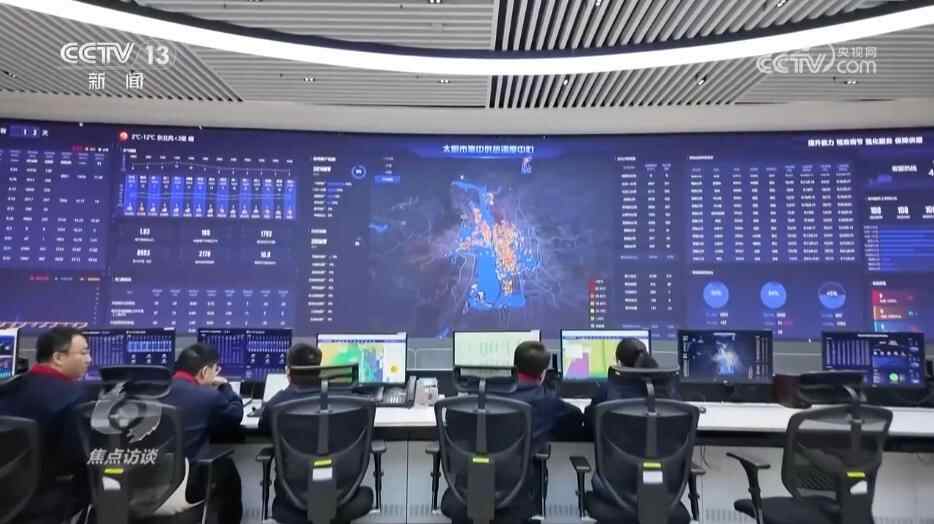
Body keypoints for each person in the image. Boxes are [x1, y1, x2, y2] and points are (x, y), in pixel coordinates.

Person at [443, 340, 584, 524]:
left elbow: (452, 421)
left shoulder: (477, 396)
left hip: (468, 489)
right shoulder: (546, 401)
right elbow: (575, 419)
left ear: (514, 366)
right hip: (517, 493)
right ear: (542, 373)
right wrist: (552, 391)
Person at [260, 342, 370, 524]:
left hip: (294, 501)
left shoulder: (276, 405)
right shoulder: (351, 402)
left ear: (288, 372)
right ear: (319, 370)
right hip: (343, 497)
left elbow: (264, 431)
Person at [0, 326, 91, 523]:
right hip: (49, 505)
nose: (89, 359)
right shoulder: (78, 398)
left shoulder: (7, 388)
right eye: (83, 353)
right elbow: (82, 459)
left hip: (8, 501)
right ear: (58, 357)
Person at [162, 343, 244, 523]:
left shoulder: (152, 393)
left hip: (146, 481)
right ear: (205, 371)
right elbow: (235, 415)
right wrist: (226, 387)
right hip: (187, 483)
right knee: (227, 469)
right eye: (215, 369)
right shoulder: (207, 396)